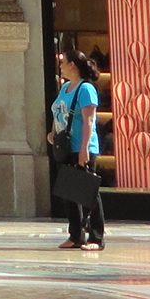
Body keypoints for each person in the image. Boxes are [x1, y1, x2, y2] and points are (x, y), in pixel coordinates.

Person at [50, 48, 105, 251]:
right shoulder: (65, 88)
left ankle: (96, 237)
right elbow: (57, 111)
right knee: (70, 193)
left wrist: (84, 149)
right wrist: (53, 132)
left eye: (63, 62)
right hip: (65, 147)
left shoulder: (85, 89)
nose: (61, 66)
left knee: (88, 192)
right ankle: (75, 235)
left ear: (73, 65)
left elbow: (89, 120)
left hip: (82, 146)